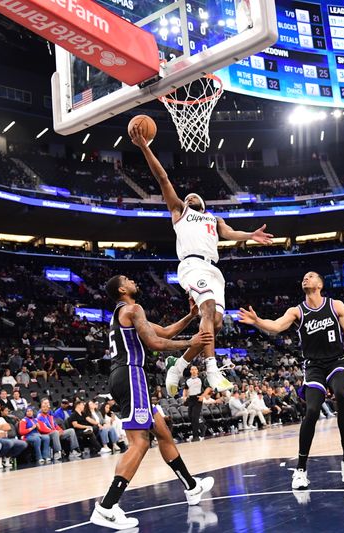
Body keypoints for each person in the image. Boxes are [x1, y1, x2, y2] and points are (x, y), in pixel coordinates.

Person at [129, 124, 274, 397]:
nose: (190, 197)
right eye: (188, 196)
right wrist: (145, 147)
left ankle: (178, 365)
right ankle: (211, 367)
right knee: (206, 307)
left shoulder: (213, 219)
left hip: (213, 269)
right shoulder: (179, 211)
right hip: (192, 264)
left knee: (216, 322)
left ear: (204, 205)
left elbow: (230, 233)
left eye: (195, 197)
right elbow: (162, 179)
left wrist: (250, 234)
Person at [239, 271, 344, 490]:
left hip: (337, 362)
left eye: (310, 276)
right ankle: (301, 469)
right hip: (313, 367)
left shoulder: (335, 306)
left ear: (320, 284)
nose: (305, 278)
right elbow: (275, 326)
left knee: (341, 394)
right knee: (311, 410)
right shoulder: (297, 311)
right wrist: (257, 321)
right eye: (303, 276)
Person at [91, 274, 214, 529]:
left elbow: (164, 331)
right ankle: (106, 507)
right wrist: (190, 343)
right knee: (140, 442)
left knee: (163, 432)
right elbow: (155, 342)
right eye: (128, 279)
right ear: (123, 289)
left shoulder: (124, 314)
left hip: (125, 375)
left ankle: (191, 487)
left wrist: (190, 316)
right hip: (131, 373)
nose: (134, 281)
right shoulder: (133, 308)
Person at [184, 366, 205, 442]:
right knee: (190, 416)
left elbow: (207, 388)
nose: (193, 371)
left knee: (195, 417)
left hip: (198, 398)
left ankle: (196, 436)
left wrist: (203, 396)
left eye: (195, 369)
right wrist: (185, 397)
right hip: (190, 399)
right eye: (192, 369)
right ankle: (202, 427)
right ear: (190, 371)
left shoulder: (201, 379)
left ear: (197, 371)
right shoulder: (188, 380)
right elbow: (185, 389)